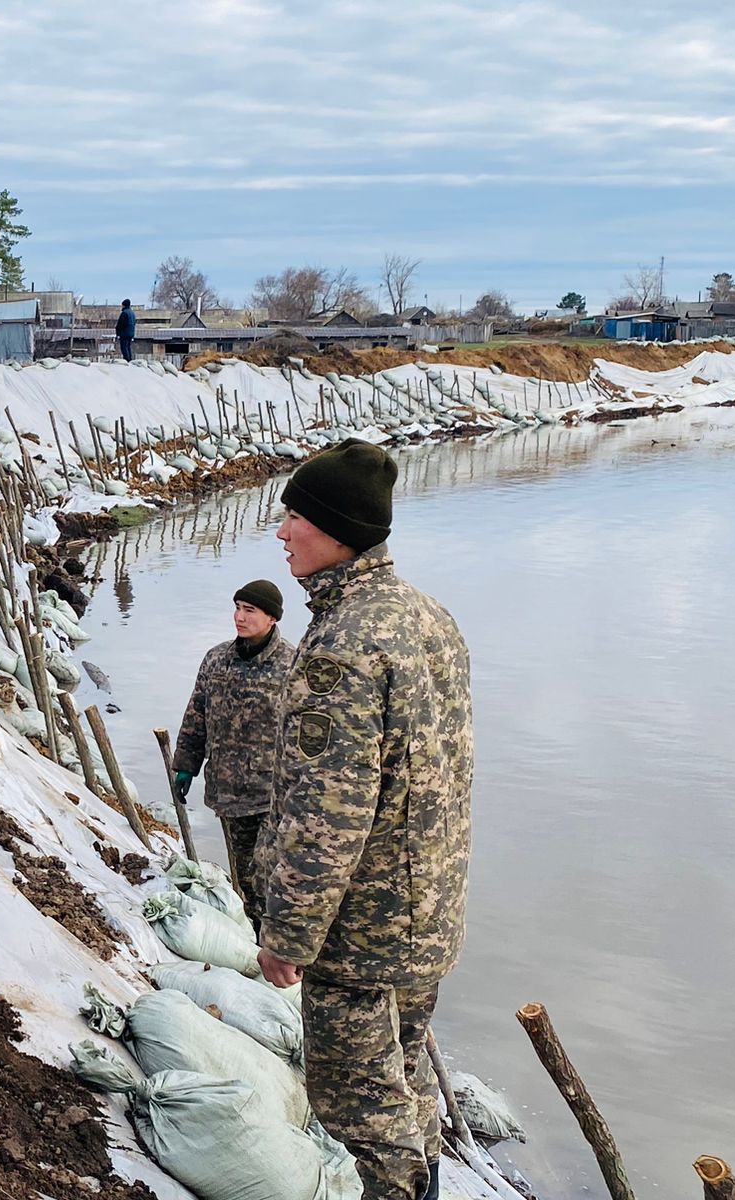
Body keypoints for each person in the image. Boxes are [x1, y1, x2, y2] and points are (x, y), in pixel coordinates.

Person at [256, 439, 472, 1200]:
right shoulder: (427, 617)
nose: (281, 532)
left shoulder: (343, 646)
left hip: (361, 934)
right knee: (408, 1088)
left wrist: (288, 935)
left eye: (294, 518)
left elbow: (328, 818)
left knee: (361, 1116)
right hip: (426, 912)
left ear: (338, 530)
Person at [170, 578, 294, 932]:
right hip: (228, 790)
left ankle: (282, 949)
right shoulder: (216, 659)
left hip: (273, 795)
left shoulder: (292, 665)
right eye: (237, 608)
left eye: (249, 610)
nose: (239, 617)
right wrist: (185, 766)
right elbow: (196, 714)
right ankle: (257, 944)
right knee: (245, 879)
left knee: (268, 874)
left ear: (272, 619)